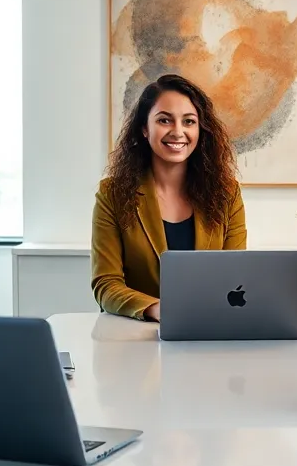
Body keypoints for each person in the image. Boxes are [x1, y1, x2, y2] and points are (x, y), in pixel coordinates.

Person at [91, 74, 245, 321]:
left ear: (200, 130)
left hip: (209, 327)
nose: (178, 132)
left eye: (189, 121)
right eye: (164, 120)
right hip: (138, 333)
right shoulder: (112, 194)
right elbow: (106, 284)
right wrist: (156, 309)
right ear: (144, 128)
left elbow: (236, 276)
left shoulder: (227, 194)